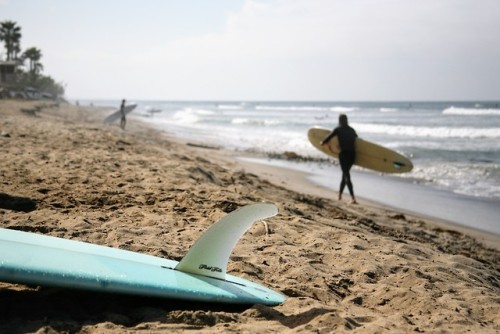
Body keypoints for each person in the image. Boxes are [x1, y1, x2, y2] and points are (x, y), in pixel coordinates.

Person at [321, 114, 358, 204]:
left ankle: (353, 198)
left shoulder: (338, 129)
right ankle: (340, 195)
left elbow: (327, 139)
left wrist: (322, 142)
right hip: (352, 155)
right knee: (345, 174)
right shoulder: (351, 130)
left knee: (346, 175)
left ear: (339, 120)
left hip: (344, 155)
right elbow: (357, 140)